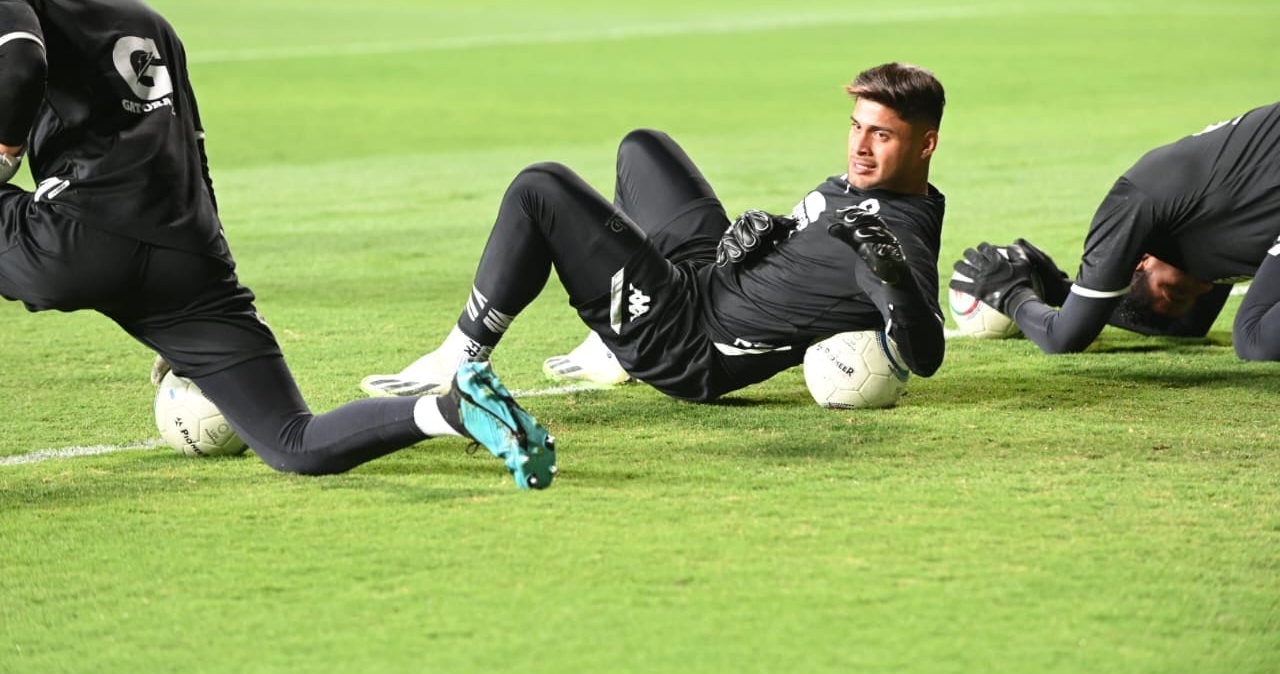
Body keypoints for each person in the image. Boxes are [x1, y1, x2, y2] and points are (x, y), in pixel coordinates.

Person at [0, 0, 556, 488]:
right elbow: (194, 159)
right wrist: (200, 294)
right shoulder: (148, 18)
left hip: (73, 237)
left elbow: (20, 63)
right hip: (184, 254)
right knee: (295, 441)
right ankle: (451, 410)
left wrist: (5, 146)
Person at [361, 62, 948, 403]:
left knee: (540, 188)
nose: (860, 147)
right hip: (702, 277)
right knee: (644, 148)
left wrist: (891, 277)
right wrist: (771, 229)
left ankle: (459, 358)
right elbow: (809, 253)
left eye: (881, 135)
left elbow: (924, 354)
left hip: (682, 339)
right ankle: (609, 348)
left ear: (925, 144)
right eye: (855, 126)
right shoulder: (861, 185)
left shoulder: (897, 238)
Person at [950, 101, 1280, 360]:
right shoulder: (1207, 225)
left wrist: (1011, 295)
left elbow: (1062, 338)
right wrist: (1063, 292)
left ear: (1141, 259)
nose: (1207, 290)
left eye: (1173, 291)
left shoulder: (1135, 206)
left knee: (1254, 338)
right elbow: (1187, 326)